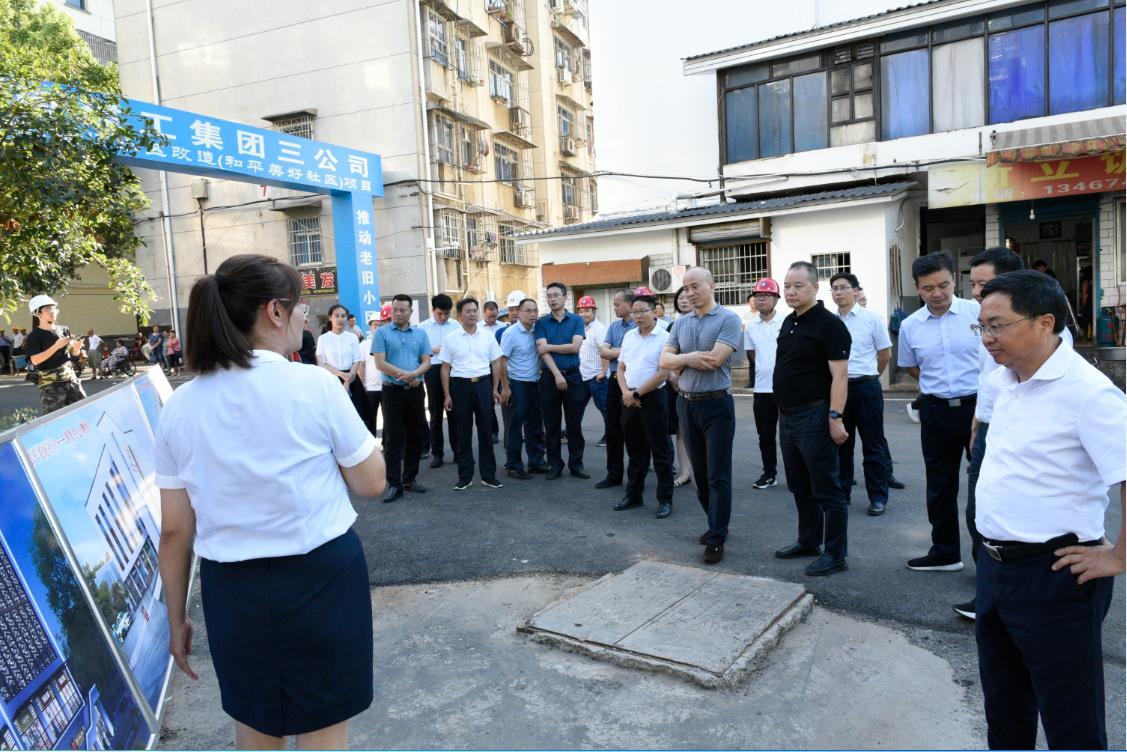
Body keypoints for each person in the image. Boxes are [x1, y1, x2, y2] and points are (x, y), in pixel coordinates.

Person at [154, 254, 386, 751]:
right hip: (321, 578)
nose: (306, 318)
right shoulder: (314, 384)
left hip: (233, 590)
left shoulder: (179, 406)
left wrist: (176, 619)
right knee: (325, 730)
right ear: (275, 312)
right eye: (300, 308)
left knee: (255, 729)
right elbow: (371, 483)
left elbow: (175, 531)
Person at [973, 270, 1124, 750]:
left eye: (997, 325)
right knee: (1005, 704)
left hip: (1056, 574)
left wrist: (1119, 556)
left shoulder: (1090, 393)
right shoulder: (1003, 380)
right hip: (995, 570)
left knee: (1070, 717)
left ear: (1044, 322)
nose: (988, 338)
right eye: (982, 327)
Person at [953, 248, 1029, 619]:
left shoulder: (1030, 326)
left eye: (985, 283)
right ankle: (989, 588)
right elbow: (990, 378)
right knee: (978, 512)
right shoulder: (990, 323)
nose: (976, 291)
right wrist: (977, 421)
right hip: (988, 424)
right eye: (975, 283)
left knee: (1000, 514)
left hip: (1015, 428)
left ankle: (998, 596)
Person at [897, 252, 981, 572]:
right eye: (928, 288)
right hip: (936, 412)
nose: (938, 293)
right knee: (940, 485)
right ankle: (945, 552)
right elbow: (911, 367)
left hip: (978, 410)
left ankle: (985, 561)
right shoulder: (910, 325)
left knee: (984, 486)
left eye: (944, 285)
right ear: (918, 288)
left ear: (955, 281)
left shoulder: (978, 313)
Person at [771, 262, 851, 577]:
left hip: (815, 415)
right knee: (799, 485)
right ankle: (808, 541)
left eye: (798, 286)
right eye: (787, 285)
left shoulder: (829, 325)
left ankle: (835, 554)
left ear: (815, 288)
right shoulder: (789, 321)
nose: (790, 291)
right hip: (787, 417)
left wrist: (835, 416)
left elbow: (840, 376)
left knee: (827, 488)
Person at [659, 267, 742, 565]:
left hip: (717, 405)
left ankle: (717, 538)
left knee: (718, 474)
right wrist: (689, 358)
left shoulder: (728, 319)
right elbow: (664, 360)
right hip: (686, 403)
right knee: (701, 476)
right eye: (685, 288)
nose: (690, 293)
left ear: (711, 285)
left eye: (695, 286)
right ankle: (717, 522)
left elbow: (715, 359)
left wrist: (682, 361)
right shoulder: (681, 323)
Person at [830, 272, 893, 516]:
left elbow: (884, 354)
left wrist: (873, 376)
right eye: (834, 288)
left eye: (844, 288)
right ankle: (842, 493)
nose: (838, 292)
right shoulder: (830, 322)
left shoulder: (872, 320)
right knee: (842, 444)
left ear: (855, 291)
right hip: (839, 388)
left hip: (866, 386)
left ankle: (878, 496)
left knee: (873, 444)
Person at [615, 294, 674, 519]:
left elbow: (663, 373)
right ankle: (634, 495)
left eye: (643, 311)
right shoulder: (630, 336)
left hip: (652, 399)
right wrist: (626, 394)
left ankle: (665, 499)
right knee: (634, 452)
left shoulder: (665, 337)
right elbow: (620, 368)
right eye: (635, 312)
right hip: (629, 398)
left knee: (660, 452)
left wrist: (637, 393)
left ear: (654, 311)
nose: (638, 316)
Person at [371, 295, 431, 503]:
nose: (398, 313)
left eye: (402, 310)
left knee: (416, 435)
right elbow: (380, 363)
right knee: (394, 438)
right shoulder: (382, 333)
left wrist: (416, 374)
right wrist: (407, 374)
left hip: (415, 391)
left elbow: (426, 361)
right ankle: (394, 484)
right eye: (395, 309)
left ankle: (409, 479)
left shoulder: (421, 334)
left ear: (410, 312)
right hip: (392, 392)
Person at [441, 298, 504, 491]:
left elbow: (496, 363)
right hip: (460, 386)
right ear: (459, 315)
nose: (472, 314)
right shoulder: (451, 338)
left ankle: (488, 475)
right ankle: (465, 476)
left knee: (486, 430)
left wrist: (495, 389)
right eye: (468, 311)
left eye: (475, 310)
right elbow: (445, 368)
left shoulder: (487, 336)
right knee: (463, 432)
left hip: (483, 385)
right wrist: (447, 395)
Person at [535, 282, 588, 480]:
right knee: (552, 425)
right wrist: (557, 374)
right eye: (549, 296)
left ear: (565, 297)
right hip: (550, 377)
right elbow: (542, 351)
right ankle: (555, 465)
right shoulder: (541, 323)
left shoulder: (576, 320)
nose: (552, 299)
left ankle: (577, 464)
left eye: (556, 295)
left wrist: (550, 346)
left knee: (574, 424)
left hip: (573, 376)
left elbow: (575, 347)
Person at [499, 298, 547, 479]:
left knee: (535, 425)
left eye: (535, 310)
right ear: (518, 313)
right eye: (528, 310)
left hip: (536, 383)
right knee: (514, 427)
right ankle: (514, 465)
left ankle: (536, 462)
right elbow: (501, 361)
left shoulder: (538, 330)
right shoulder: (510, 333)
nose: (532, 314)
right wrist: (505, 387)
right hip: (517, 384)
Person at [744, 278, 784, 490]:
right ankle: (769, 474)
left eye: (767, 296)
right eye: (758, 296)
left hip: (786, 388)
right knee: (765, 435)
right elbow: (752, 354)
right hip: (761, 389)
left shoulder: (787, 320)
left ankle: (799, 475)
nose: (762, 300)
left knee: (791, 436)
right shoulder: (750, 326)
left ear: (776, 299)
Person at [596, 289, 635, 489]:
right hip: (613, 381)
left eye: (617, 304)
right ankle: (614, 474)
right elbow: (603, 351)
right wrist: (624, 352)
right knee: (613, 429)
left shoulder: (640, 325)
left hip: (632, 383)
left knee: (633, 431)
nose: (614, 308)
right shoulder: (614, 326)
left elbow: (637, 353)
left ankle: (636, 478)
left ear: (629, 304)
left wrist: (615, 352)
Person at [24, 295, 87, 413]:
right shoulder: (34, 336)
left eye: (54, 308)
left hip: (71, 380)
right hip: (51, 387)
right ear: (38, 313)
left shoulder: (64, 329)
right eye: (47, 309)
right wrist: (56, 346)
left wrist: (76, 349)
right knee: (55, 419)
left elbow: (72, 354)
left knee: (83, 412)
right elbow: (35, 360)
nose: (52, 311)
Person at [420, 295, 460, 467]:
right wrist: (432, 349)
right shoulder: (423, 328)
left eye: (446, 314)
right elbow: (418, 350)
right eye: (440, 314)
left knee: (456, 413)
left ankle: (459, 451)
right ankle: (437, 453)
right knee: (436, 413)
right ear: (433, 310)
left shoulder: (456, 325)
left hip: (455, 369)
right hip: (433, 369)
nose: (443, 317)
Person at [317, 304, 367, 421]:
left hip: (352, 379)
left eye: (343, 316)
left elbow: (357, 360)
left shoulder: (352, 337)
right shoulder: (323, 339)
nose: (340, 319)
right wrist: (342, 375)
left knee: (356, 416)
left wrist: (348, 379)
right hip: (331, 380)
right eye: (337, 316)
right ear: (330, 317)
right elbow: (321, 363)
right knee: (333, 417)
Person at [576, 295, 609, 447]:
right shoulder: (578, 328)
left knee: (604, 407)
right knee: (576, 406)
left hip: (597, 377)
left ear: (594, 311)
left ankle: (611, 435)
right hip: (581, 376)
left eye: (587, 310)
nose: (584, 314)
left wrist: (603, 372)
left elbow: (605, 352)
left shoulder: (599, 329)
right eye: (581, 311)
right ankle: (572, 432)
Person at [668, 286, 693, 488]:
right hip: (675, 386)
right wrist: (672, 377)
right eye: (680, 298)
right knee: (680, 430)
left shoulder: (706, 323)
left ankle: (704, 471)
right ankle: (684, 471)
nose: (684, 300)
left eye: (687, 297)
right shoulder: (671, 327)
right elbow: (664, 356)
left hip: (698, 384)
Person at [480, 300, 506, 444]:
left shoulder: (503, 327)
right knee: (489, 401)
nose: (493, 319)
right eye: (490, 316)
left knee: (506, 398)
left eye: (495, 316)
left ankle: (511, 431)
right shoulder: (476, 327)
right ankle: (493, 431)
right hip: (486, 367)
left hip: (502, 364)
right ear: (484, 313)